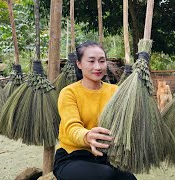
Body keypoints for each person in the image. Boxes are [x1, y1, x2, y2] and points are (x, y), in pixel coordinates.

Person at [53, 41, 137, 180]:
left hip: (104, 157)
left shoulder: (115, 91)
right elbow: (72, 127)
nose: (97, 67)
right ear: (79, 64)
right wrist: (87, 136)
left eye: (102, 61)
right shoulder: (69, 92)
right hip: (72, 157)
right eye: (91, 61)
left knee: (129, 179)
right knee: (104, 175)